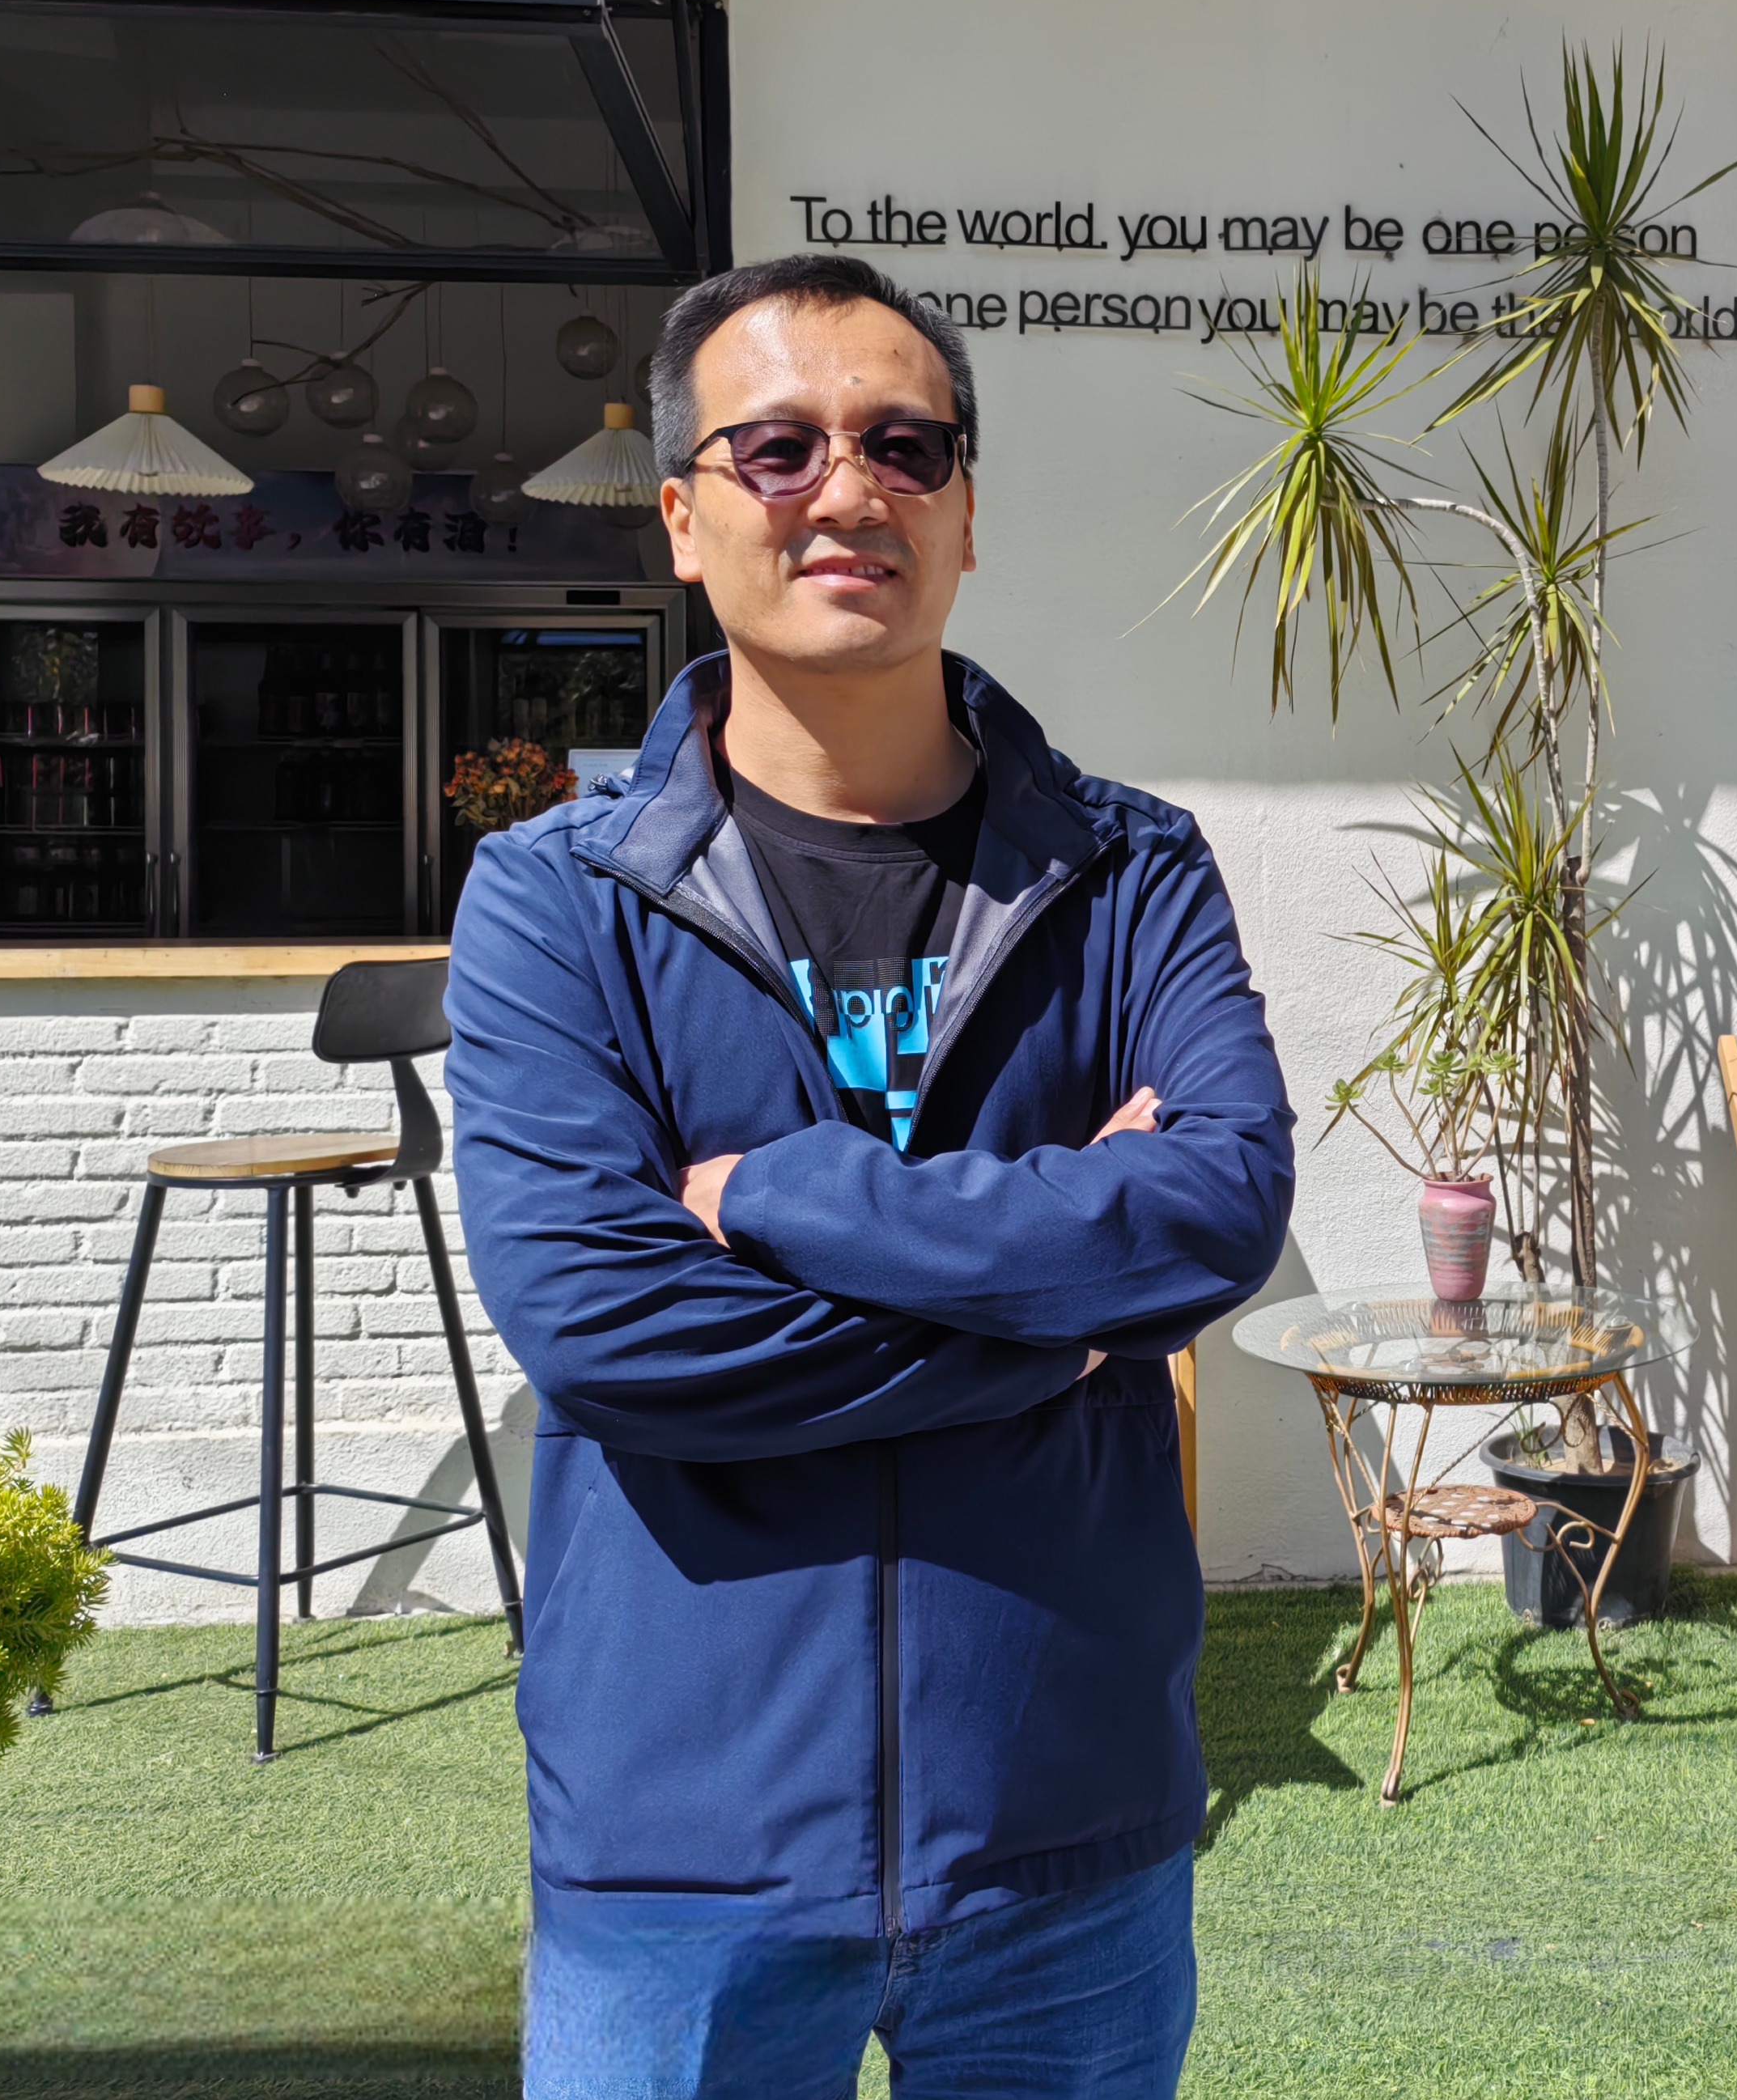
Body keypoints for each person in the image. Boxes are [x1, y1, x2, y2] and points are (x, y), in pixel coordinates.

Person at [444, 253, 1295, 2100]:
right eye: (777, 448)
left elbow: (1219, 1207)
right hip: (685, 1847)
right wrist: (1065, 1319)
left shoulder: (1128, 870)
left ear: (966, 513)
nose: (848, 487)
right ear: (684, 518)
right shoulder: (554, 900)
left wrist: (773, 1200)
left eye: (907, 445)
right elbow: (609, 1328)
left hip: (1065, 1820)